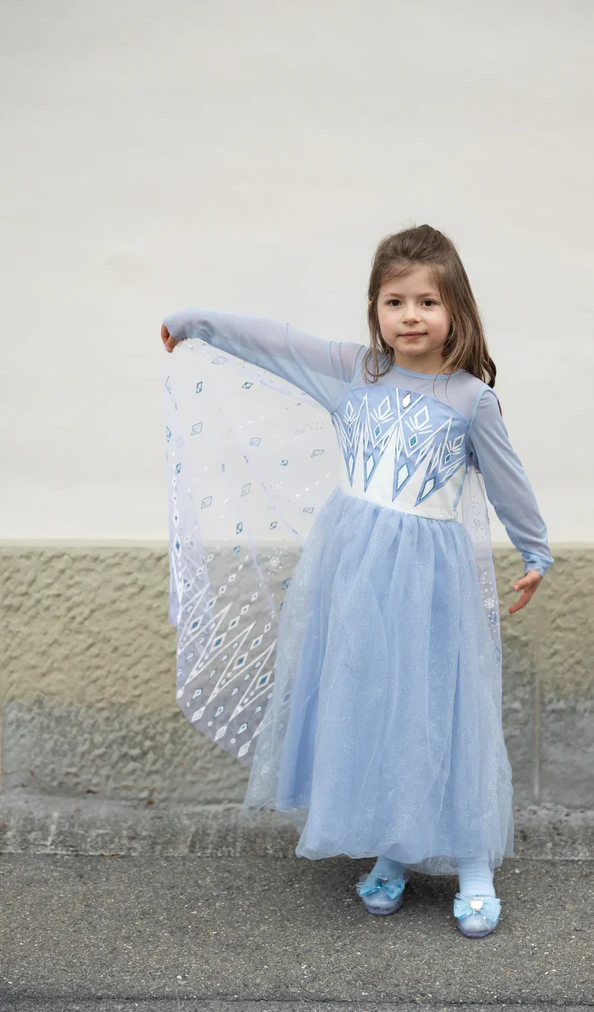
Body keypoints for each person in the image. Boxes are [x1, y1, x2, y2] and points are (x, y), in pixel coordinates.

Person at [161, 223, 553, 938]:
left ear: (456, 309)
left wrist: (535, 550)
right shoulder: (354, 372)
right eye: (394, 302)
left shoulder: (471, 399)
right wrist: (195, 322)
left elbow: (507, 480)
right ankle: (393, 849)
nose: (410, 316)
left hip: (429, 579)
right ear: (374, 308)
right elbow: (277, 342)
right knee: (373, 705)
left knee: (438, 708)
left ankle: (473, 864)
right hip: (354, 573)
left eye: (427, 302)